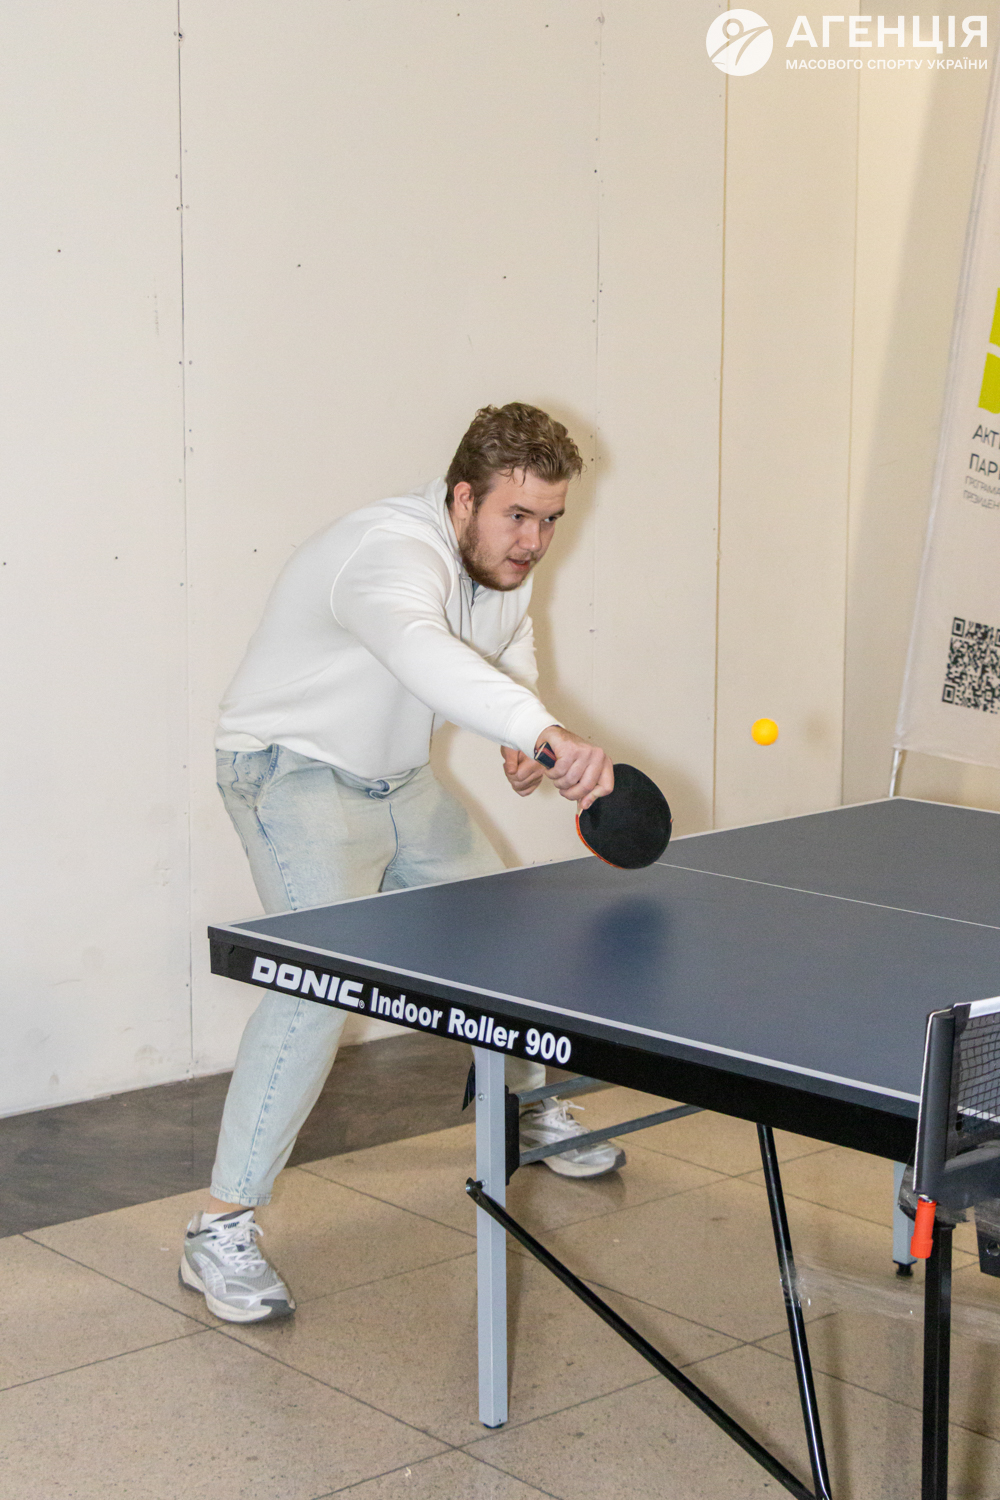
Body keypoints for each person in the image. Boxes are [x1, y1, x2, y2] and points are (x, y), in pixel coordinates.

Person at [180, 403, 624, 1323]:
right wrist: (542, 731)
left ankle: (524, 1114)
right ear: (462, 498)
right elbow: (423, 652)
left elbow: (502, 644)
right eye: (517, 516)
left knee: (507, 938)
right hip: (291, 777)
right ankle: (218, 1226)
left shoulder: (500, 563)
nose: (534, 541)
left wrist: (519, 730)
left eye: (550, 519)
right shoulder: (386, 552)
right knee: (313, 988)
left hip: (400, 782)